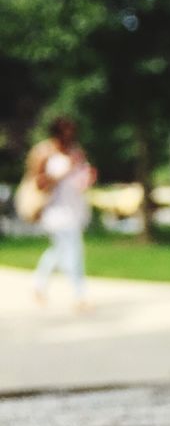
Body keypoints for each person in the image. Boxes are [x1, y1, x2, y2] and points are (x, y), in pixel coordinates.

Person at [27, 118, 97, 310]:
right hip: (56, 211)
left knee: (59, 251)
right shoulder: (44, 153)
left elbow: (82, 178)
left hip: (75, 208)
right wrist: (63, 172)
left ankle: (38, 285)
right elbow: (38, 184)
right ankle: (79, 295)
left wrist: (87, 177)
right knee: (74, 251)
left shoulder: (77, 152)